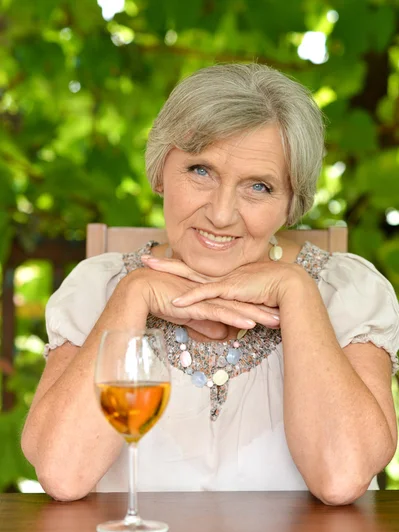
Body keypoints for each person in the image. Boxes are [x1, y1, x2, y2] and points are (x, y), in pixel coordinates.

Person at [21, 64, 399, 505]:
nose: (221, 214)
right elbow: (63, 474)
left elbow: (341, 477)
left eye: (258, 186)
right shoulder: (100, 288)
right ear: (161, 170)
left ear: (292, 203)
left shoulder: (346, 292)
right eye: (201, 171)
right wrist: (135, 295)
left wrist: (297, 292)